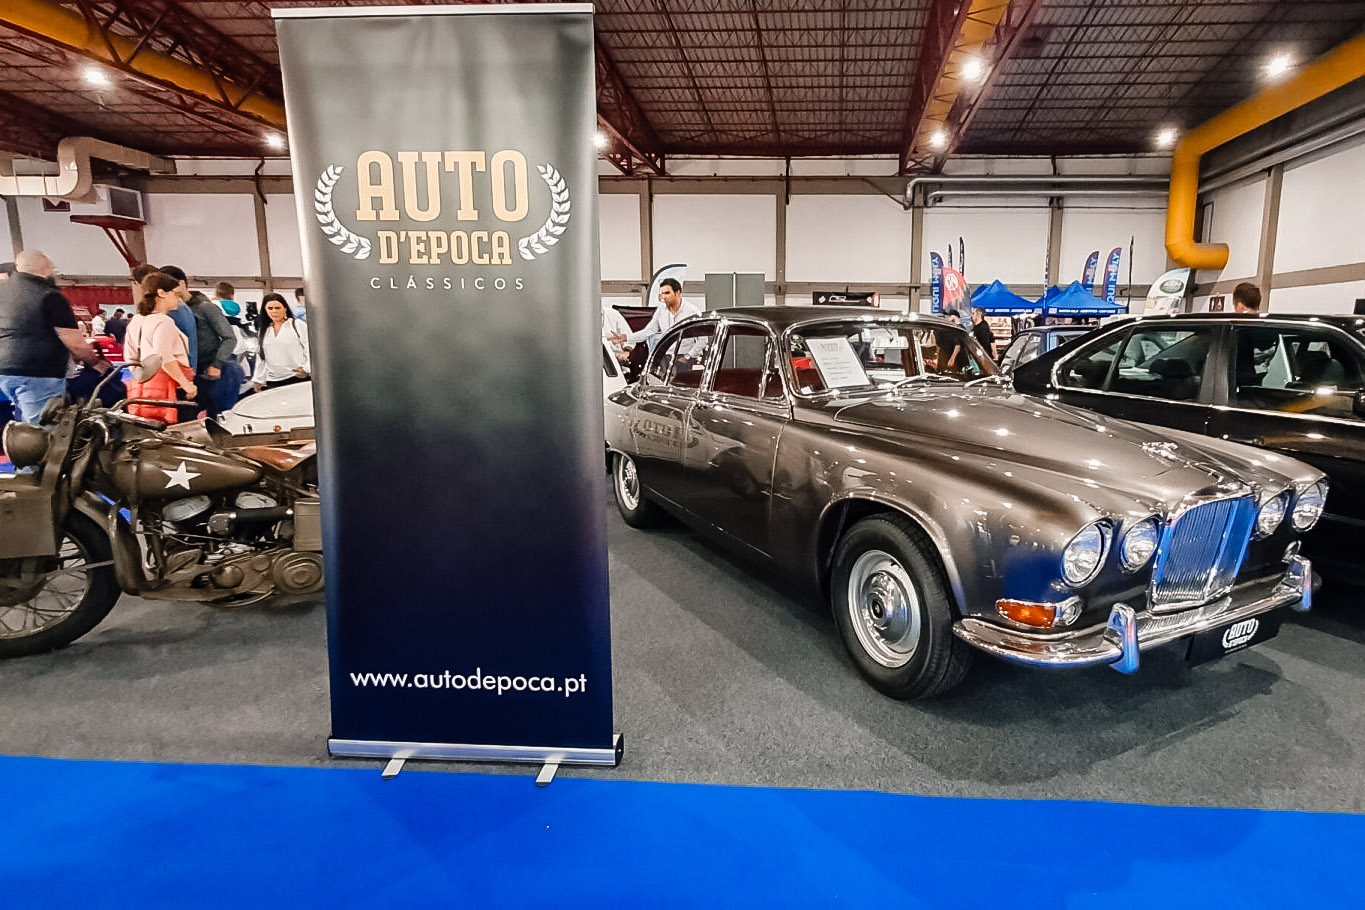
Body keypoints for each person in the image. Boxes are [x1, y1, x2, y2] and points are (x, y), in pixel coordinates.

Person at [0, 250, 111, 425]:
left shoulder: (3, 291)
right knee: (45, 429)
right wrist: (95, 361)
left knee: (25, 422)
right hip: (39, 372)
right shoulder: (49, 295)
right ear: (45, 269)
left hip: (5, 371)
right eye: (52, 269)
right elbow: (74, 342)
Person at [162, 266, 236, 417]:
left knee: (216, 416)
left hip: (211, 371)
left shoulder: (205, 307)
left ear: (181, 283)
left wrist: (217, 363)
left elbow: (229, 337)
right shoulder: (171, 310)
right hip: (187, 372)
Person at [124, 272, 197, 423]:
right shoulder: (164, 322)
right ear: (161, 293)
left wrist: (142, 375)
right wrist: (186, 384)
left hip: (141, 387)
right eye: (175, 294)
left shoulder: (136, 320)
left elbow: (130, 356)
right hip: (169, 387)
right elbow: (164, 358)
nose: (178, 299)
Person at [609, 278, 700, 352]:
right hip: (666, 356)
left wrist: (689, 356)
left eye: (667, 293)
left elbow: (702, 339)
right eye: (662, 293)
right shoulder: (661, 310)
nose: (664, 297)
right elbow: (648, 331)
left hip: (684, 357)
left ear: (678, 293)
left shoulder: (692, 311)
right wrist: (625, 338)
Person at [252, 293, 310, 391]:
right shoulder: (264, 331)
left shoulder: (297, 325)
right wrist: (258, 379)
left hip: (296, 377)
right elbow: (261, 356)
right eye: (270, 308)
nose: (274, 311)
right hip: (272, 380)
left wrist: (306, 369)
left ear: (285, 308)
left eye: (277, 308)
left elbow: (310, 348)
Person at [156, 264, 200, 369]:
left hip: (177, 369)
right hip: (187, 367)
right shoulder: (184, 308)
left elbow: (166, 352)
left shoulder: (174, 311)